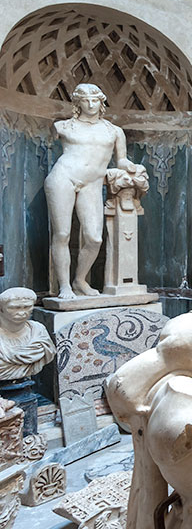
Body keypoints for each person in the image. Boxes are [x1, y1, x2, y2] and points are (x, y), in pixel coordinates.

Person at [45, 84, 137, 299]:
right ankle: (64, 286)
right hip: (63, 177)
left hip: (92, 183)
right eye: (85, 100)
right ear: (77, 103)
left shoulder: (114, 131)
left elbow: (121, 159)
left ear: (102, 102)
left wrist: (132, 167)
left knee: (94, 238)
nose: (91, 104)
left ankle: (79, 280)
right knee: (62, 234)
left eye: (95, 100)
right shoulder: (64, 126)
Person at [0, 287, 56, 380]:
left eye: (27, 307)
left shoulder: (38, 330)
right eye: (14, 308)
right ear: (1, 308)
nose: (22, 312)